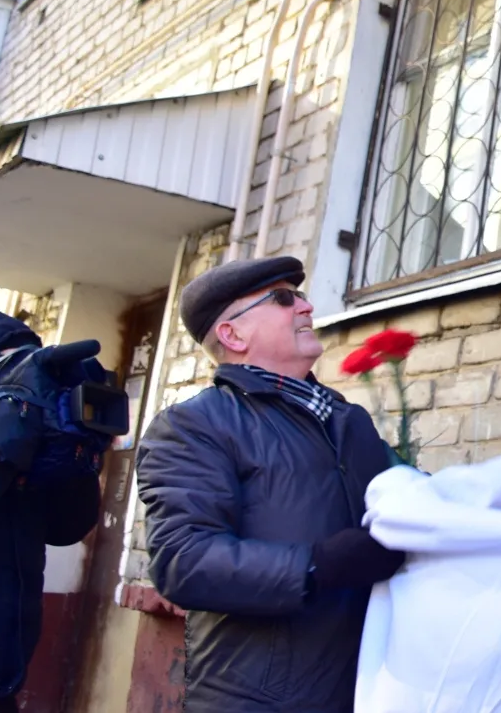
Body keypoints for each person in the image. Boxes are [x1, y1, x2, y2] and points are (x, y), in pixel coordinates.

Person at [136, 257, 403, 713]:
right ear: (233, 335)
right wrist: (315, 566)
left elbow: (408, 493)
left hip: (362, 689)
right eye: (283, 299)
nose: (306, 307)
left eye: (301, 296)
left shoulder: (348, 420)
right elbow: (182, 560)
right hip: (258, 700)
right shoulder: (194, 426)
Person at [0, 310, 101, 713]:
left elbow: (66, 529)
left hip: (1, 675)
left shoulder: (24, 436)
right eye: (13, 361)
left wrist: (75, 453)